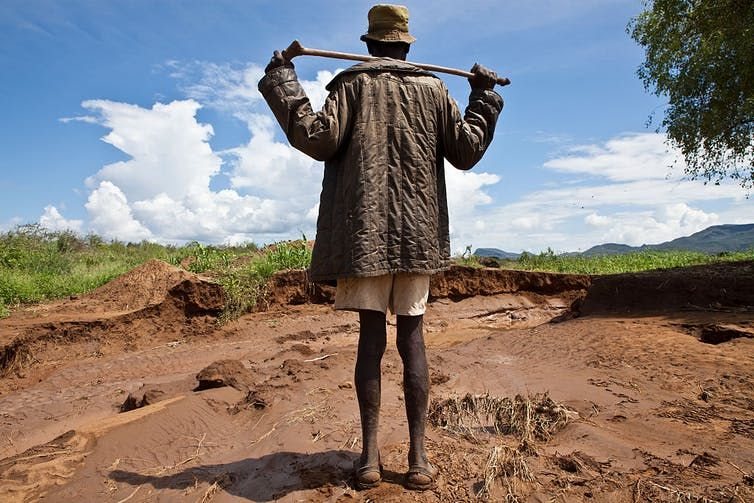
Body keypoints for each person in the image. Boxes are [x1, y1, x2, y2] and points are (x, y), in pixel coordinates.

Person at [258, 4, 503, 491]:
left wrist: (281, 75)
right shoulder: (434, 89)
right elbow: (466, 151)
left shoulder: (351, 86)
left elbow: (315, 138)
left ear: (369, 44)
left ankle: (368, 461)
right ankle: (419, 462)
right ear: (407, 45)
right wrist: (483, 97)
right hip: (417, 237)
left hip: (362, 236)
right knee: (412, 339)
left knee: (371, 341)